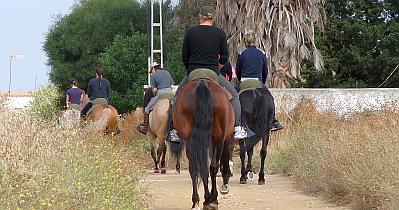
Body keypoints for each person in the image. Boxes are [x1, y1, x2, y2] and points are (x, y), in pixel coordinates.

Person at [168, 5, 254, 141]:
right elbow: (225, 57)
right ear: (213, 18)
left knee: (177, 97)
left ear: (200, 17)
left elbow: (184, 56)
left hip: (193, 72)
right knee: (235, 96)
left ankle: (174, 130)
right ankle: (238, 127)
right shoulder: (219, 33)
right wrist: (217, 68)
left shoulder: (190, 32)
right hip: (213, 73)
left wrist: (190, 70)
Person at [236, 30, 284, 131]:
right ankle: (273, 121)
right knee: (270, 98)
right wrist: (262, 82)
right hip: (258, 82)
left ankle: (237, 123)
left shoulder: (242, 54)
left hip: (244, 82)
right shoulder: (262, 53)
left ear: (245, 41)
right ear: (255, 40)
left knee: (233, 98)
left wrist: (240, 80)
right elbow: (265, 71)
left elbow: (238, 70)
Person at [138, 62, 174, 134]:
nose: (151, 73)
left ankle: (145, 128)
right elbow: (172, 85)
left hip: (160, 93)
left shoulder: (154, 76)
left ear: (154, 68)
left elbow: (154, 90)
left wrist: (155, 94)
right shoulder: (167, 73)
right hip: (171, 94)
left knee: (147, 108)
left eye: (151, 71)